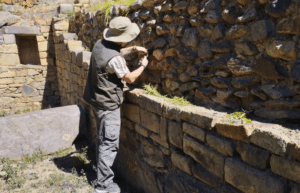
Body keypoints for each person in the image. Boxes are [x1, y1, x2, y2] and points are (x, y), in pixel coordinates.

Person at [83, 16, 148, 193]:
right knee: (109, 143)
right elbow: (130, 77)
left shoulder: (99, 44)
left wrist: (133, 49)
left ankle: (100, 172)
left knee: (103, 138)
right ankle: (103, 185)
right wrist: (143, 65)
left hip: (96, 99)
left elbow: (116, 53)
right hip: (108, 105)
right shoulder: (115, 60)